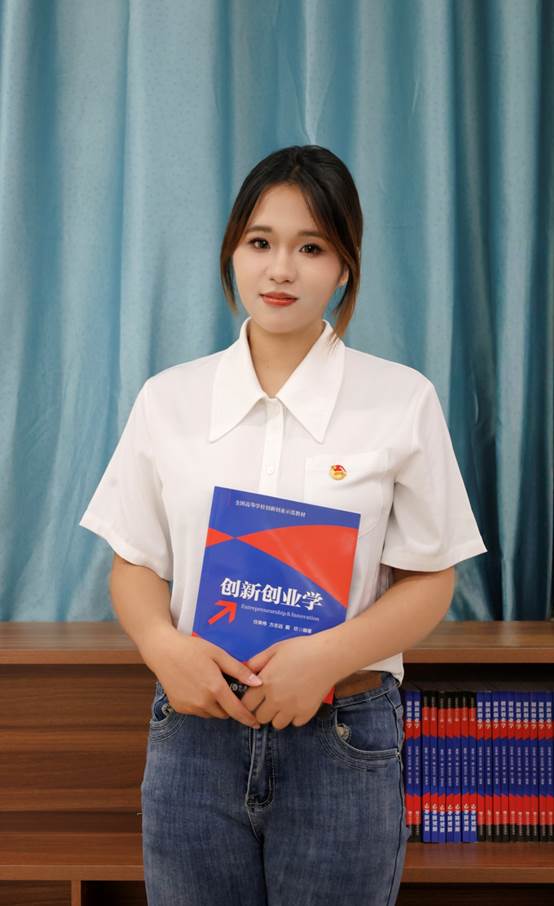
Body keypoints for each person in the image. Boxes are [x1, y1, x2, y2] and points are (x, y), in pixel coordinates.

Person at [79, 145, 487, 905]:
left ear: (345, 267)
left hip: (342, 735)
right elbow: (134, 562)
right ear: (232, 252)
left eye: (311, 248)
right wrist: (163, 647)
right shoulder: (168, 399)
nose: (281, 270)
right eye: (260, 242)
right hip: (195, 733)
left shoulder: (402, 400)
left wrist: (325, 659)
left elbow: (433, 577)